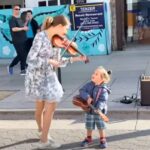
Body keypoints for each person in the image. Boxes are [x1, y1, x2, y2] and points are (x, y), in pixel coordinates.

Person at [25, 15, 87, 149]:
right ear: (58, 26)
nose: (66, 34)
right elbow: (30, 60)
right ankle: (41, 131)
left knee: (51, 106)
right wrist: (48, 61)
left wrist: (76, 59)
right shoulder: (40, 37)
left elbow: (58, 63)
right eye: (65, 30)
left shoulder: (58, 41)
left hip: (50, 77)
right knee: (39, 110)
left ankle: (44, 139)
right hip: (36, 77)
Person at [78, 66, 111, 149]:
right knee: (89, 125)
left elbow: (103, 100)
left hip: (99, 111)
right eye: (93, 73)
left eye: (96, 74)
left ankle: (102, 139)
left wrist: (98, 108)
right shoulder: (89, 84)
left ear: (102, 78)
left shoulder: (103, 89)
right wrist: (87, 97)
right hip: (89, 110)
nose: (93, 75)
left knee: (100, 126)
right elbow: (82, 91)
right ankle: (88, 138)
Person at [8, 4, 28, 75]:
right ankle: (23, 69)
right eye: (16, 9)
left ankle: (12, 66)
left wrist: (25, 26)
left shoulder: (20, 19)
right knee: (22, 54)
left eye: (19, 9)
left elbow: (22, 27)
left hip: (24, 39)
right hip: (17, 40)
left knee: (22, 55)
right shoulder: (11, 19)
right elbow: (14, 29)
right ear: (13, 10)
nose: (18, 10)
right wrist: (23, 28)